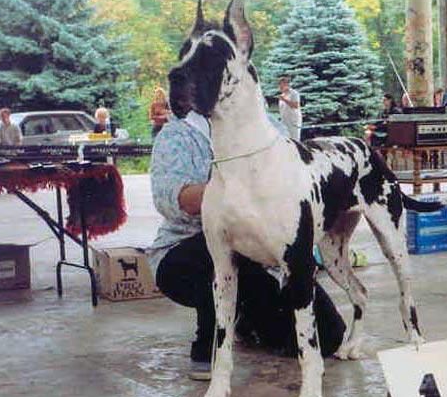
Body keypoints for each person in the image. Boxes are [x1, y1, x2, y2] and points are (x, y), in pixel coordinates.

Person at [147, 110, 346, 378]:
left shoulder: (270, 126)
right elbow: (178, 201)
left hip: (263, 249)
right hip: (187, 248)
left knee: (329, 336)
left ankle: (245, 320)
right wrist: (240, 191)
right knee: (224, 251)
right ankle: (208, 347)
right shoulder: (177, 135)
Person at [278, 76, 302, 140]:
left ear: (287, 84)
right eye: (279, 85)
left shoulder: (294, 93)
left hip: (293, 122)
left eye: (282, 84)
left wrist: (284, 100)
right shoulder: (282, 96)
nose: (280, 86)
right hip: (284, 122)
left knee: (295, 139)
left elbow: (295, 105)